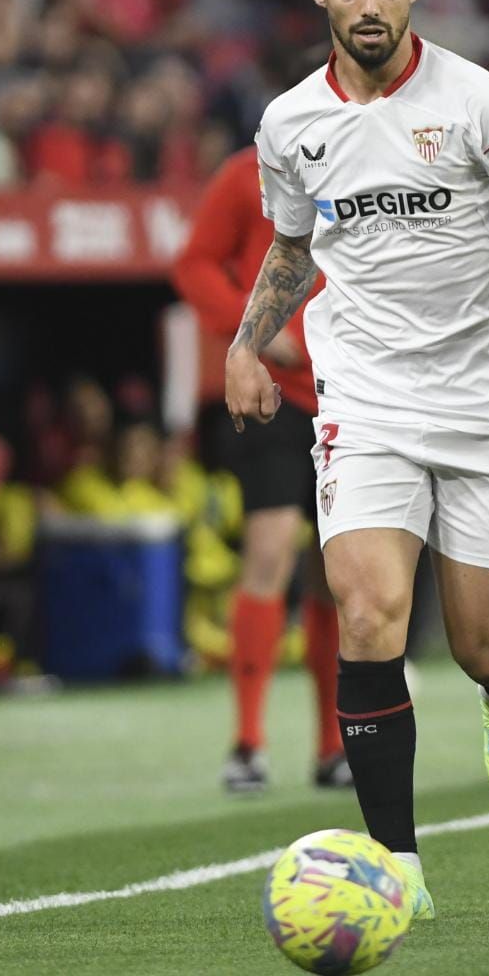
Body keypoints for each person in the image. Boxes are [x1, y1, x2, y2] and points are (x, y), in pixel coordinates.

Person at [224, 0, 489, 920]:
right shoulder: (289, 123)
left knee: (483, 642)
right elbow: (297, 241)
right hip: (367, 398)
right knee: (367, 612)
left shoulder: (484, 103)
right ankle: (396, 865)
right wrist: (245, 342)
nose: (368, 1)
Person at [173, 145, 349, 794]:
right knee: (271, 553)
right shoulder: (251, 170)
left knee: (337, 573)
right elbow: (193, 264)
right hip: (272, 396)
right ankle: (248, 742)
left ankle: (333, 748)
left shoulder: (375, 162)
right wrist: (251, 328)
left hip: (351, 398)